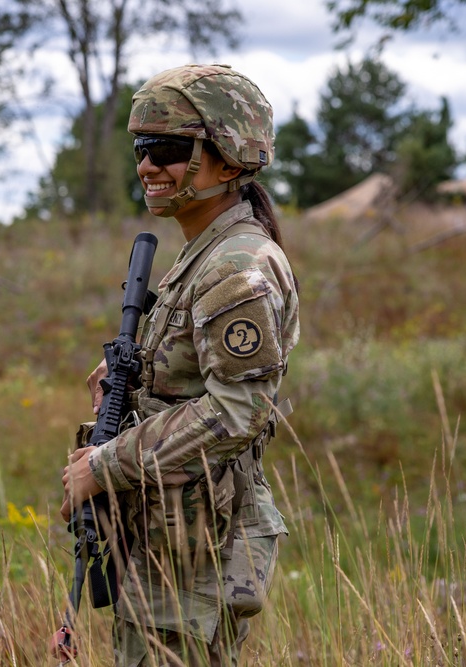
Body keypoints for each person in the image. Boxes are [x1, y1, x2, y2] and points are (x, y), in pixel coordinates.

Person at [60, 64, 300, 666]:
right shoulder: (204, 254)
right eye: (142, 148)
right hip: (170, 543)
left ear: (227, 158)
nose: (147, 166)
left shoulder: (235, 267)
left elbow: (239, 409)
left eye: (168, 149)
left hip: (199, 552)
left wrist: (106, 464)